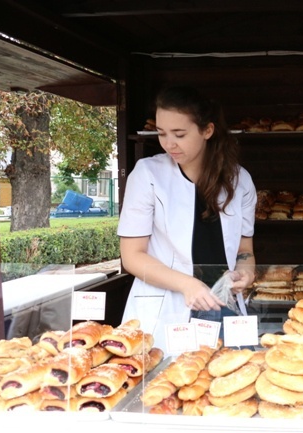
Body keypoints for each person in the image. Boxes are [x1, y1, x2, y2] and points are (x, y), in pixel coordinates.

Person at [117, 85, 257, 352]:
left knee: (231, 385)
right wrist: (187, 284)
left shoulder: (240, 180)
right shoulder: (147, 175)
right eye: (161, 133)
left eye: (179, 134)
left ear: (207, 130)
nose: (169, 143)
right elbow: (132, 256)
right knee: (165, 386)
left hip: (223, 304)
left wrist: (247, 272)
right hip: (167, 306)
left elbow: (244, 249)